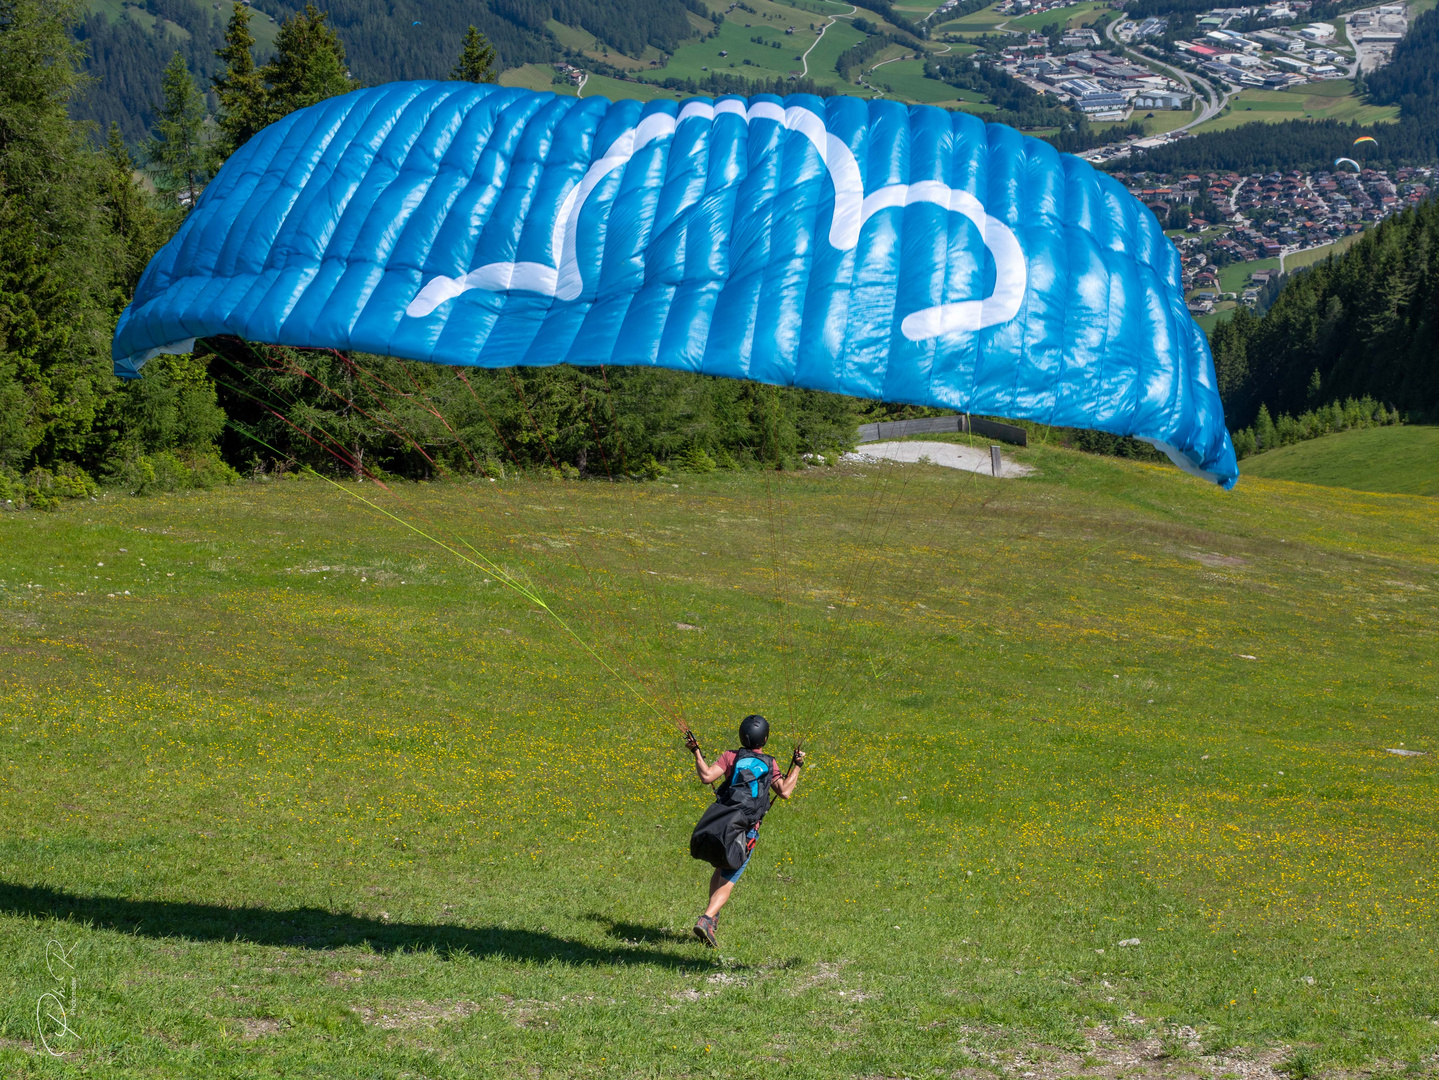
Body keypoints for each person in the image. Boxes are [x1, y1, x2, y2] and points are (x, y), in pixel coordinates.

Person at [685, 713, 804, 948]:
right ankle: (707, 919)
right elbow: (785, 791)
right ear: (765, 739)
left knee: (720, 868)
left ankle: (712, 916)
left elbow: (707, 776)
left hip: (724, 824)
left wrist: (696, 751)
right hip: (746, 831)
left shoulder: (732, 756)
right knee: (729, 879)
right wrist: (798, 767)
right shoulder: (770, 763)